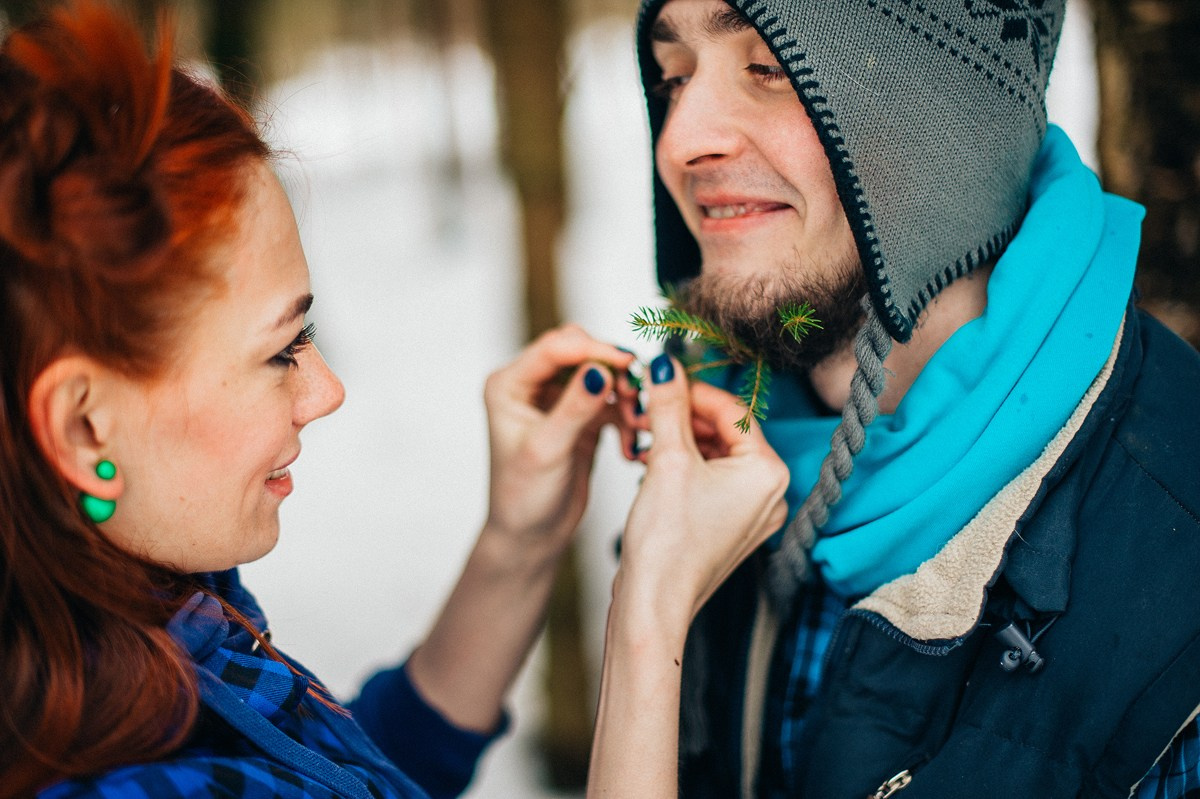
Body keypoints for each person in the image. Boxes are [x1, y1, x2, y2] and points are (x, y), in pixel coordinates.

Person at [0, 3, 790, 798]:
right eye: (280, 350)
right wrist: (651, 613)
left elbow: (348, 771)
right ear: (84, 426)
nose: (326, 391)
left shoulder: (137, 633)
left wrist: (518, 541)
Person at [615, 0, 1200, 796]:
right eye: (672, 78)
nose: (681, 140)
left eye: (770, 67)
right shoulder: (713, 442)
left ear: (943, 118)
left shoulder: (1176, 580)